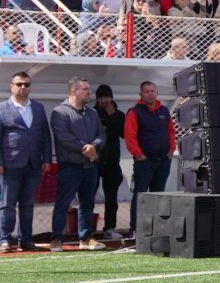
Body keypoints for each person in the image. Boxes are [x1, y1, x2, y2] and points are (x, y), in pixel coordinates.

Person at [0, 70, 45, 251]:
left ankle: (26, 240)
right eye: (19, 84)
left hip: (33, 163)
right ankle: (4, 239)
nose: (23, 87)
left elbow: (45, 135)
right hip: (9, 164)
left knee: (28, 204)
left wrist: (47, 158)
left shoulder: (38, 107)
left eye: (26, 84)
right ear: (11, 86)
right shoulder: (1, 108)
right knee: (8, 203)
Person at [47, 76, 104, 249]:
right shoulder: (59, 112)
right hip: (70, 166)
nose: (89, 92)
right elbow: (64, 137)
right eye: (85, 89)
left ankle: (85, 238)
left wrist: (94, 146)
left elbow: (102, 134)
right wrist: (85, 148)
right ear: (74, 90)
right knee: (63, 203)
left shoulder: (92, 113)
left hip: (90, 166)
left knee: (87, 203)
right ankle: (57, 238)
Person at [124, 81, 173, 233]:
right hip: (144, 162)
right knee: (140, 195)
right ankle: (136, 229)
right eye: (147, 91)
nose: (150, 94)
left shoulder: (164, 111)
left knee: (158, 196)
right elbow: (129, 136)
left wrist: (171, 150)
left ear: (156, 92)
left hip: (163, 161)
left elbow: (171, 131)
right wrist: (139, 155)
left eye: (153, 91)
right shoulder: (134, 112)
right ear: (141, 94)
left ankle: (156, 228)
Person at [92, 83, 126, 243]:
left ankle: (109, 227)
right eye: (102, 97)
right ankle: (87, 229)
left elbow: (123, 133)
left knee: (111, 197)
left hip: (112, 161)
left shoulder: (118, 114)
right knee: (89, 195)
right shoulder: (91, 114)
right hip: (94, 161)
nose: (105, 100)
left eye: (107, 97)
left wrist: (112, 116)